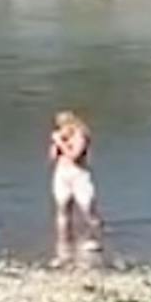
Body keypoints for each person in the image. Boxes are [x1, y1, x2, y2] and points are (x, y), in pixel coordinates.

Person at [50, 110, 103, 268]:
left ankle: (94, 238)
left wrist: (60, 142)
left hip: (79, 175)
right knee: (62, 209)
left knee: (87, 208)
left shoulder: (81, 136)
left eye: (62, 126)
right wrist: (55, 145)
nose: (60, 130)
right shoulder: (61, 137)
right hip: (62, 174)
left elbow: (74, 155)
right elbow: (52, 158)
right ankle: (64, 243)